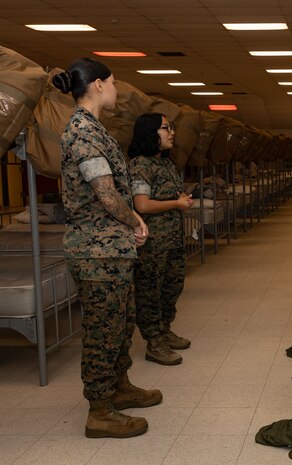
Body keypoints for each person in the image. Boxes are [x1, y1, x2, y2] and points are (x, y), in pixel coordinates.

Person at [54, 57, 162, 438]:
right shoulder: (83, 132)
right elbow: (106, 194)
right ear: (98, 85)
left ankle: (120, 386)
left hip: (111, 250)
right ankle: (99, 410)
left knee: (120, 322)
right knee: (102, 330)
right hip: (96, 251)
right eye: (114, 83)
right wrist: (136, 220)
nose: (117, 90)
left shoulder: (96, 128)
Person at [129, 114, 193, 365]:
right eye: (166, 128)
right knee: (149, 293)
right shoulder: (140, 165)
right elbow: (141, 204)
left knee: (172, 287)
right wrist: (176, 203)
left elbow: (168, 196)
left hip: (173, 241)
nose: (172, 132)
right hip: (152, 244)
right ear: (150, 132)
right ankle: (154, 342)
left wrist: (181, 199)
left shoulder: (166, 165)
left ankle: (164, 330)